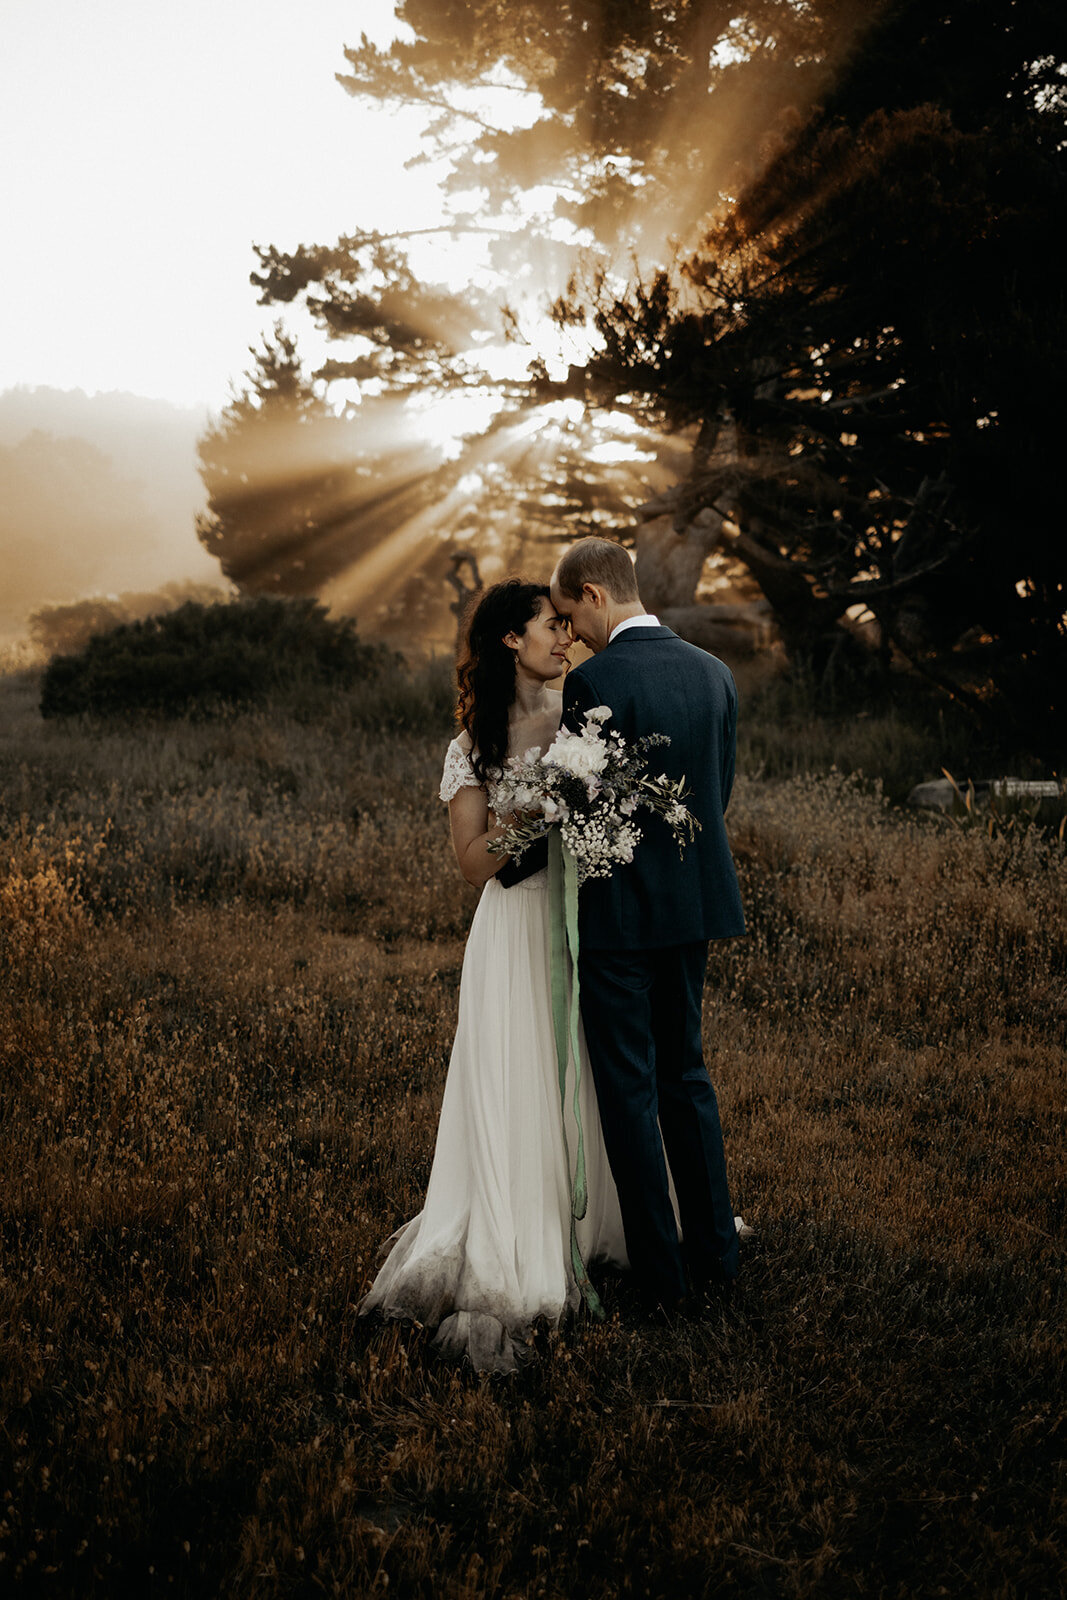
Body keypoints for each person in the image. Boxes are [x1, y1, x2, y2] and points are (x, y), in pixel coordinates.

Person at [358, 579, 626, 1372]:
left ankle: (594, 1221)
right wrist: (537, 811)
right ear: (512, 638)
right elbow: (473, 865)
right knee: (517, 1074)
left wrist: (584, 802)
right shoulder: (468, 748)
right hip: (512, 927)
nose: (566, 638)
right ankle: (518, 1237)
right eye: (551, 626)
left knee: (582, 1067)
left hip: (583, 921)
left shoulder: (584, 718)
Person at [548, 536, 746, 1316]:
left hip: (620, 915)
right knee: (687, 1076)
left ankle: (661, 1281)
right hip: (693, 905)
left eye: (570, 614)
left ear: (593, 594)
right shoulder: (714, 672)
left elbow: (577, 806)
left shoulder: (594, 680)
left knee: (628, 1089)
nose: (572, 634)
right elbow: (716, 794)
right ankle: (717, 1260)